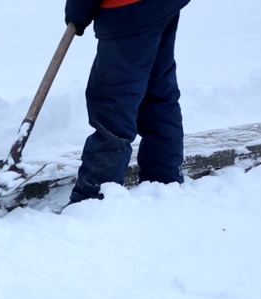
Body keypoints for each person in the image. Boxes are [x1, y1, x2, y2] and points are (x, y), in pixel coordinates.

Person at [65, 0, 191, 204]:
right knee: (157, 93)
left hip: (127, 9)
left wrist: (78, 10)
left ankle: (93, 198)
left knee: (113, 104)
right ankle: (164, 184)